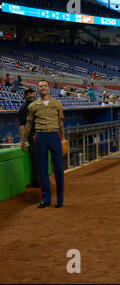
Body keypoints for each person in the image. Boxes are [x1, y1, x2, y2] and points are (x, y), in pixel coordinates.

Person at [21, 80, 65, 208]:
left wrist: (63, 138)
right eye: (40, 86)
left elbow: (61, 122)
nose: (43, 88)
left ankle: (60, 199)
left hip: (54, 135)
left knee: (58, 168)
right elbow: (28, 124)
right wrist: (23, 141)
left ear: (48, 88)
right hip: (40, 136)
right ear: (38, 89)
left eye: (45, 86)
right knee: (42, 169)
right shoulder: (32, 106)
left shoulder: (57, 104)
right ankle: (45, 199)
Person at [18, 87, 39, 188]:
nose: (31, 95)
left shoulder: (37, 105)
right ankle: (36, 182)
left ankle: (42, 179)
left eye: (32, 93)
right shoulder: (23, 109)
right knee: (35, 159)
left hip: (40, 134)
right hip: (31, 136)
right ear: (25, 96)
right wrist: (23, 141)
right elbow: (22, 126)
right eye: (28, 94)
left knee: (41, 158)